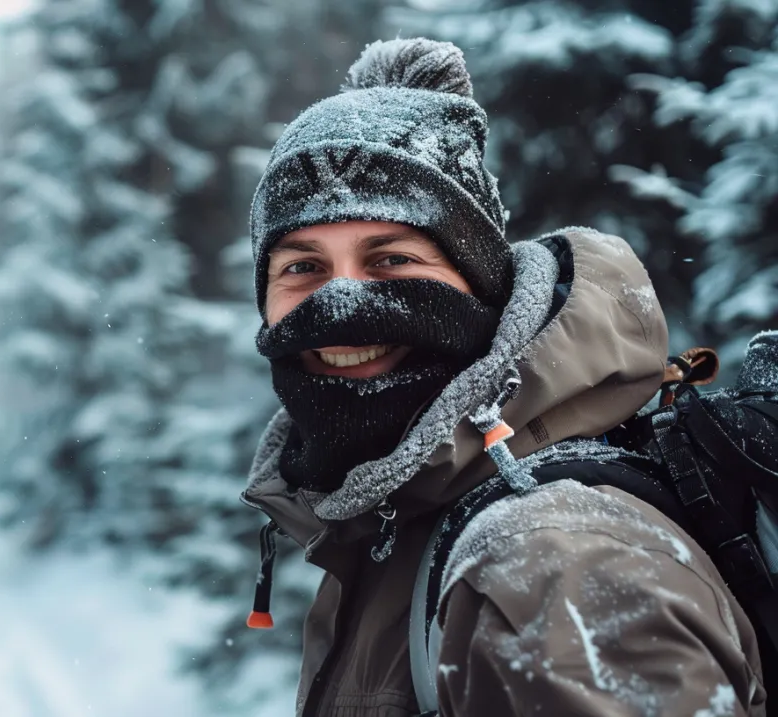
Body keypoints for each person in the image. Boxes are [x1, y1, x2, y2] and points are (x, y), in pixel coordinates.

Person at [241, 37, 766, 716]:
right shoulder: (404, 511)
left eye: (393, 259)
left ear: (481, 286)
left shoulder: (549, 564)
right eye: (302, 267)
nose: (341, 304)